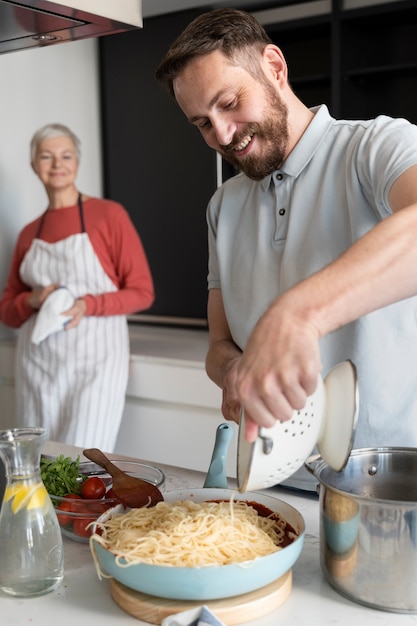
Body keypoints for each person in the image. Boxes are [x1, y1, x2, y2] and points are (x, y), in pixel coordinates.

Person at [156, 8, 417, 454]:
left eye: (229, 103)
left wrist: (297, 315)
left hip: (388, 483)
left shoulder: (376, 147)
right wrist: (235, 371)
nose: (221, 134)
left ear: (275, 68)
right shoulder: (222, 206)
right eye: (202, 123)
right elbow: (219, 346)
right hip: (273, 479)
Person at [0, 123, 155, 451]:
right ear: (33, 165)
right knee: (38, 465)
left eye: (65, 155)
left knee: (82, 464)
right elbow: (7, 312)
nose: (57, 164)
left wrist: (87, 304)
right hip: (38, 366)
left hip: (94, 363)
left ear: (77, 163)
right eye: (46, 156)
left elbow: (142, 291)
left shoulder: (109, 216)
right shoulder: (29, 233)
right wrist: (32, 299)